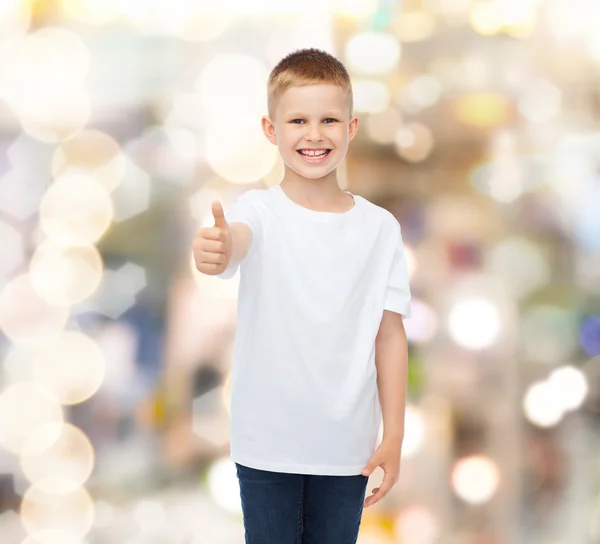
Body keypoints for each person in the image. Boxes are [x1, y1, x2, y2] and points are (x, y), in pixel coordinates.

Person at [193, 48, 411, 544]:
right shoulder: (258, 212)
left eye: (328, 119)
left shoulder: (380, 229)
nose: (314, 134)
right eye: (298, 121)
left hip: (347, 449)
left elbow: (390, 336)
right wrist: (219, 248)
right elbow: (235, 242)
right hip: (266, 443)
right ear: (271, 130)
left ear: (351, 127)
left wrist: (393, 436)